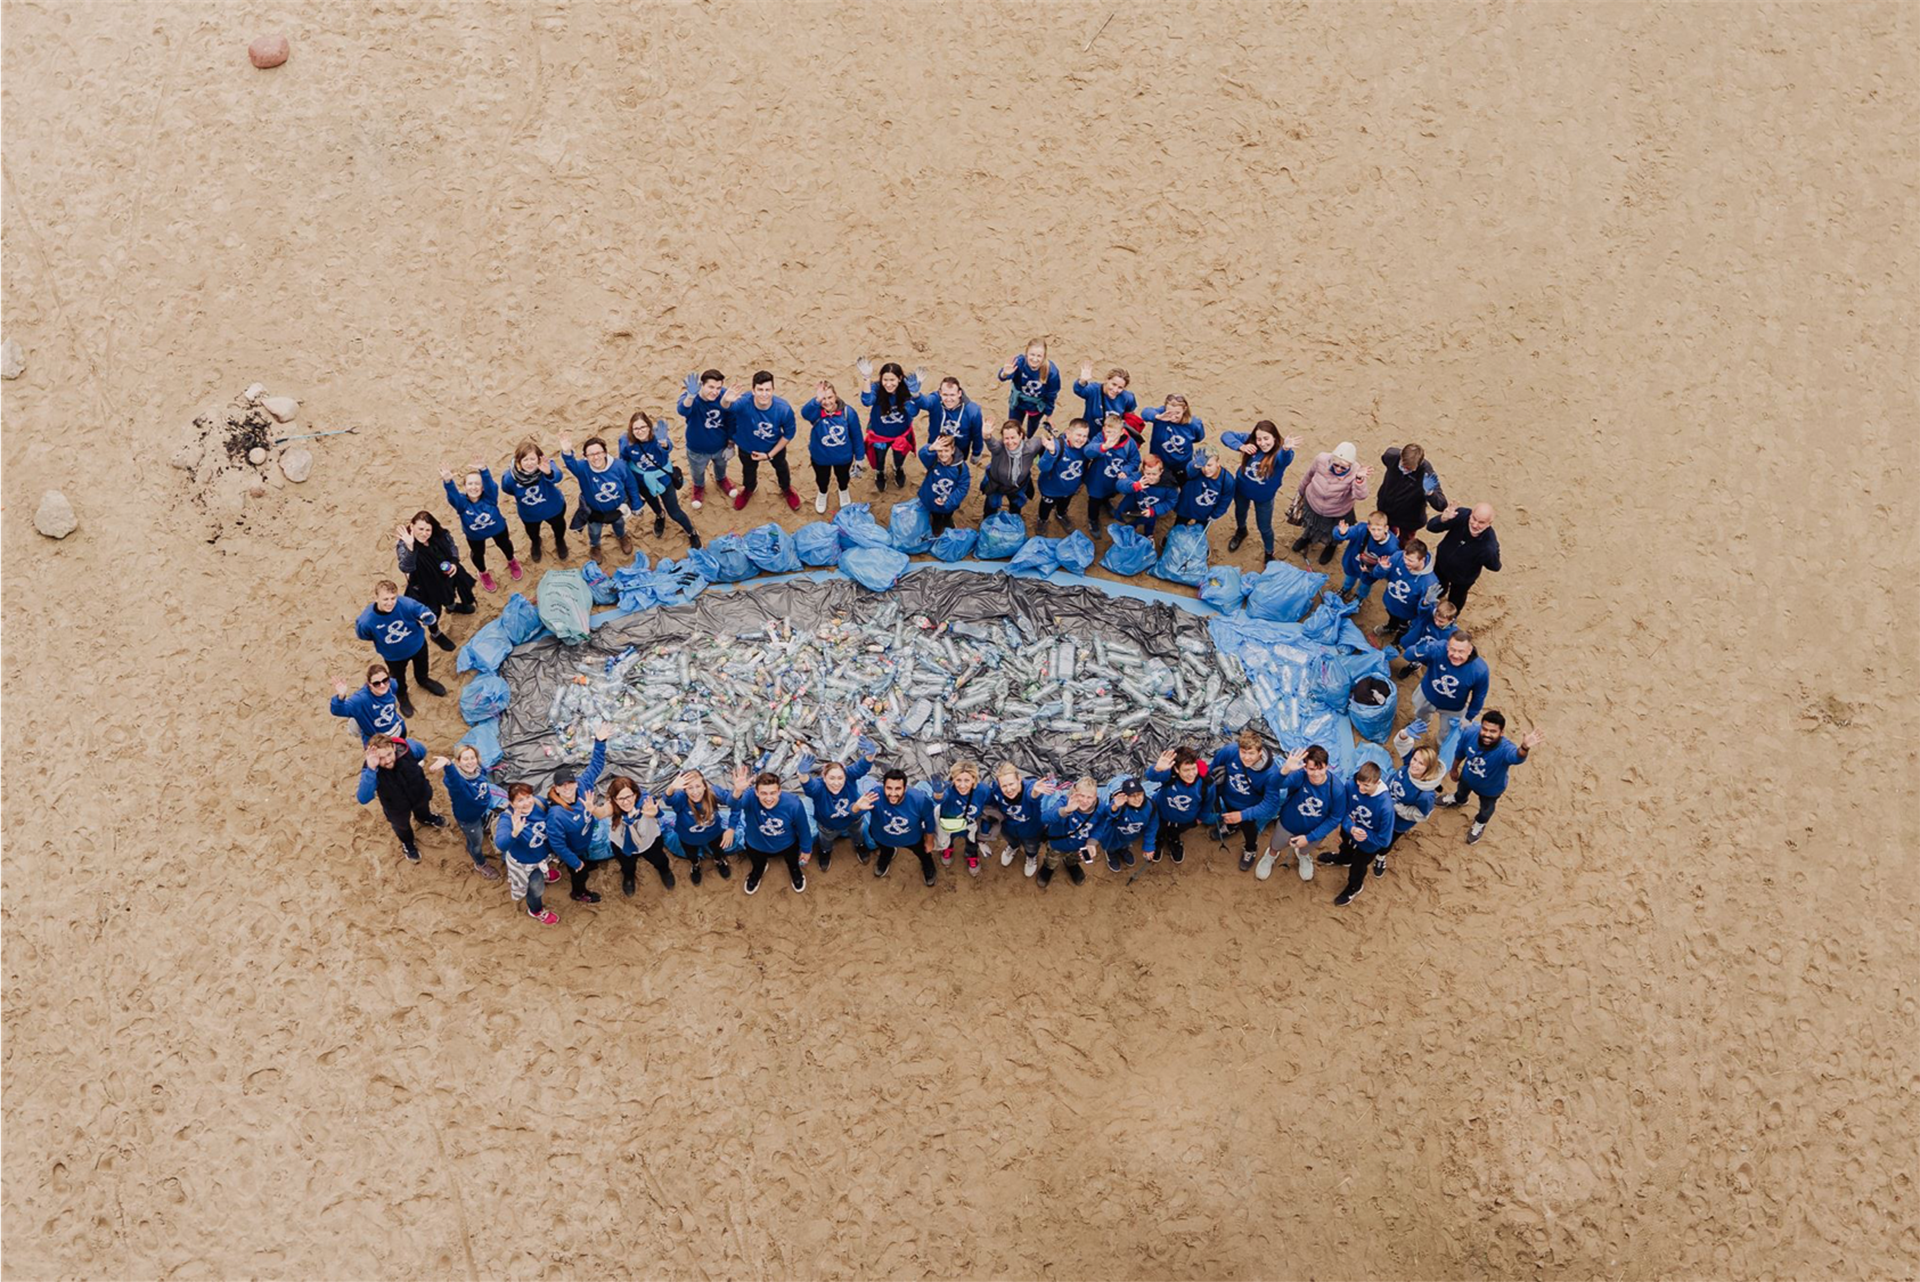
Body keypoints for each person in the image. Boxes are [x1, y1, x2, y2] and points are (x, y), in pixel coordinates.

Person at [1439, 711, 1543, 844]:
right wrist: (1454, 769)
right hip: (1467, 777)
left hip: (1491, 789)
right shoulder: (1470, 733)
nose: (1487, 734)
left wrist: (1524, 747)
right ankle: (1459, 799)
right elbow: (1460, 752)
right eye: (1485, 729)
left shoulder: (1505, 748)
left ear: (1501, 732)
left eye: (1493, 731)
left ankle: (1480, 823)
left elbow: (1516, 757)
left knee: (1486, 809)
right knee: (1461, 792)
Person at [354, 580, 451, 716]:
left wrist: (427, 616)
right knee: (398, 678)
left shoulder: (406, 604)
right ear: (376, 598)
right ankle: (402, 695)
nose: (390, 603)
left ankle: (423, 680)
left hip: (418, 646)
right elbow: (363, 635)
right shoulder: (367, 620)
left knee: (422, 666)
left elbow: (422, 611)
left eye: (393, 598)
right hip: (394, 657)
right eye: (385, 599)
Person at [355, 735, 446, 863]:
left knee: (423, 810)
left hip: (419, 794)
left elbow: (422, 751)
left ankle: (425, 818)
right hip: (396, 807)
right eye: (381, 758)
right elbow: (363, 798)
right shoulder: (371, 769)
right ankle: (408, 843)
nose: (387, 761)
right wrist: (371, 769)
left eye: (389, 754)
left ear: (394, 747)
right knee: (402, 827)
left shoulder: (409, 748)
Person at [1263, 744, 1346, 881]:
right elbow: (1274, 784)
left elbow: (1335, 818)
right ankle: (1271, 855)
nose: (1316, 774)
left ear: (1327, 766)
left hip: (1314, 830)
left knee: (1306, 848)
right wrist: (1286, 769)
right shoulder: (1300, 776)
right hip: (1288, 823)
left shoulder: (1336, 789)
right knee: (1276, 844)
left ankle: (1304, 856)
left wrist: (1308, 838)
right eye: (1311, 769)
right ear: (1305, 767)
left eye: (1321, 769)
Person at [619, 411, 701, 548]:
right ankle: (660, 516)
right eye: (636, 428)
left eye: (643, 427)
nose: (639, 431)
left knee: (674, 512)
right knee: (653, 503)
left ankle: (691, 532)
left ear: (649, 427)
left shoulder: (658, 438)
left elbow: (667, 446)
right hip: (642, 480)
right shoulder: (625, 441)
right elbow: (623, 460)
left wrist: (664, 444)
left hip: (663, 479)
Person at [547, 729, 610, 904]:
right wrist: (575, 862)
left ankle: (584, 862)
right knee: (580, 874)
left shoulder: (583, 786)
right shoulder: (556, 815)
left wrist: (600, 742)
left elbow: (596, 765)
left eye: (570, 783)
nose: (567, 788)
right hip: (572, 850)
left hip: (583, 842)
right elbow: (558, 845)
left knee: (584, 859)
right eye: (562, 786)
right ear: (556, 789)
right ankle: (579, 893)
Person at [726, 767, 812, 895]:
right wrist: (738, 791)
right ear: (756, 792)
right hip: (756, 844)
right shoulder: (749, 797)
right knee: (758, 863)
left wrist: (806, 849)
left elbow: (803, 828)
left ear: (779, 791)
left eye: (772, 793)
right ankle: (758, 870)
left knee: (792, 861)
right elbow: (733, 805)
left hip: (787, 844)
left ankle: (794, 870)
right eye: (764, 793)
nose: (768, 798)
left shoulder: (793, 804)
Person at [1208, 727, 1282, 872]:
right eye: (1243, 752)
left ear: (1260, 752)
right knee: (1228, 815)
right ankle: (1231, 827)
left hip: (1249, 807)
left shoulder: (1271, 773)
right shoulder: (1229, 751)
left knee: (1249, 829)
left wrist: (1242, 815)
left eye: (1251, 753)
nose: (1246, 757)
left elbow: (1271, 804)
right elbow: (1213, 768)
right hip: (1229, 797)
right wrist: (1214, 789)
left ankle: (1250, 849)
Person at [1325, 762, 1398, 906]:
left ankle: (1354, 887)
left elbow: (1384, 840)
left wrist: (1365, 835)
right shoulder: (1351, 785)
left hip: (1368, 844)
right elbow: (1343, 810)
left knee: (1358, 867)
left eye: (1366, 786)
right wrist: (1351, 827)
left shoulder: (1386, 807)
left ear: (1377, 783)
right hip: (1351, 830)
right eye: (1359, 783)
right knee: (1345, 846)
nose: (1360, 788)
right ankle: (1344, 859)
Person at [727, 371, 801, 512]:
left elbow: (789, 434)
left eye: (768, 390)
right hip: (747, 446)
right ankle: (749, 488)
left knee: (781, 468)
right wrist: (725, 400)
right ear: (753, 390)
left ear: (773, 390)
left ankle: (786, 488)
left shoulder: (783, 409)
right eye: (760, 390)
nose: (764, 394)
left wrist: (769, 455)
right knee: (748, 471)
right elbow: (727, 408)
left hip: (773, 447)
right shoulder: (744, 401)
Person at [1223, 421, 1298, 559]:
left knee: (1264, 527)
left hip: (1264, 497)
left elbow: (1285, 459)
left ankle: (1269, 552)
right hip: (1241, 489)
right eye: (1259, 439)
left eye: (1266, 438)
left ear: (1274, 438)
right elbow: (1226, 435)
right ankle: (1241, 531)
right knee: (1240, 512)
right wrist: (1241, 446)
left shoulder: (1279, 453)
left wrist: (1286, 449)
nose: (1262, 443)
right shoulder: (1251, 442)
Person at [426, 743, 501, 879]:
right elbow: (454, 781)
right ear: (458, 763)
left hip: (482, 810)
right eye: (465, 759)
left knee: (485, 824)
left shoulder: (478, 770)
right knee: (476, 843)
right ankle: (480, 864)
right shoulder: (457, 783)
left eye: (472, 758)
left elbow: (482, 773)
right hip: (469, 819)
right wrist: (448, 766)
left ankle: (483, 826)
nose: (470, 762)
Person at [441, 463, 520, 591]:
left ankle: (512, 561)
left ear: (483, 487)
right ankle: (483, 573)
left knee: (505, 545)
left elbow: (492, 486)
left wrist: (484, 471)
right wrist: (448, 481)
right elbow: (453, 496)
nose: (474, 487)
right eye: (470, 484)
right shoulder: (461, 504)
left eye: (477, 484)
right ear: (465, 487)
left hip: (497, 528)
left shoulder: (490, 498)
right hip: (475, 535)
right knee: (478, 554)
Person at [1291, 442, 1371, 566]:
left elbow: (1361, 496)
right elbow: (1309, 475)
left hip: (1336, 511)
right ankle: (1306, 538)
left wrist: (1359, 480)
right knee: (1310, 524)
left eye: (1343, 467)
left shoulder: (1356, 472)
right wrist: (1301, 492)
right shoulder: (1321, 459)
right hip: (1313, 503)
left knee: (1332, 533)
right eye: (1336, 465)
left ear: (1350, 465)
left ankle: (1330, 547)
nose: (1338, 469)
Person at [856, 768, 938, 886]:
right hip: (881, 835)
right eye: (889, 788)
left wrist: (929, 841)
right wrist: (857, 807)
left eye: (898, 788)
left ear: (905, 788)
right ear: (883, 786)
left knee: (923, 853)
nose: (893, 793)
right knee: (885, 848)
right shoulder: (874, 796)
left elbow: (929, 821)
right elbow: (853, 815)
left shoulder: (920, 800)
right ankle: (887, 854)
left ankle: (927, 864)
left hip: (913, 838)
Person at [559, 434, 639, 557]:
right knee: (594, 531)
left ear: (605, 452)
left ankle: (622, 537)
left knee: (619, 524)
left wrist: (636, 504)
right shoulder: (582, 468)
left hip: (618, 508)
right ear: (585, 457)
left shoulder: (619, 466)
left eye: (599, 452)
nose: (596, 457)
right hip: (594, 511)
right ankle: (595, 546)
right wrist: (566, 451)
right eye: (590, 454)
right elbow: (570, 463)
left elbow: (631, 484)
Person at [494, 783, 560, 925]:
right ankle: (536, 910)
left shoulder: (539, 803)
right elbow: (501, 844)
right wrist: (515, 833)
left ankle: (545, 874)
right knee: (535, 889)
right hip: (526, 862)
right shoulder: (508, 819)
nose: (527, 802)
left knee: (545, 867)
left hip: (542, 854)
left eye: (528, 797)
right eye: (520, 800)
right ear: (511, 803)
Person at [498, 439, 571, 563]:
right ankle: (536, 543)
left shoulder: (546, 466)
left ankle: (559, 540)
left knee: (558, 526)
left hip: (554, 508)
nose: (530, 463)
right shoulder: (510, 477)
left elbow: (557, 476)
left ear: (539, 458)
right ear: (518, 462)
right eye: (525, 460)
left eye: (532, 459)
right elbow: (507, 489)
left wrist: (548, 473)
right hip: (530, 514)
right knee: (532, 531)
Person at [676, 368, 740, 509]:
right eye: (711, 387)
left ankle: (721, 479)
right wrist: (691, 396)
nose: (715, 392)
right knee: (697, 471)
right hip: (697, 449)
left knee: (721, 466)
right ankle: (698, 487)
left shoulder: (724, 396)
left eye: (718, 387)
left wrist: (730, 444)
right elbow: (682, 410)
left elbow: (731, 420)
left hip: (720, 445)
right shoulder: (691, 397)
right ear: (702, 385)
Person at [396, 510, 477, 617]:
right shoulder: (404, 544)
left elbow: (452, 546)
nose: (424, 534)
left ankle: (451, 607)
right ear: (412, 526)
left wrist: (453, 563)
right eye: (420, 529)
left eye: (428, 530)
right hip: (425, 584)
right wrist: (411, 548)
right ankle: (435, 633)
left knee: (449, 593)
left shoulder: (440, 535)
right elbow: (406, 568)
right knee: (433, 611)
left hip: (445, 575)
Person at [801, 754, 875, 871]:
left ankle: (859, 845)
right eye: (832, 778)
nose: (836, 783)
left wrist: (870, 755)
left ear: (845, 777)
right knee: (826, 841)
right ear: (824, 778)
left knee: (857, 833)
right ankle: (825, 852)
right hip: (828, 826)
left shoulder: (849, 779)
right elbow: (809, 786)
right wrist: (802, 774)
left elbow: (860, 767)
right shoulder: (819, 788)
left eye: (840, 778)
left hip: (853, 819)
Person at [603, 775, 674, 895]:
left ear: (635, 794)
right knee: (627, 866)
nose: (625, 802)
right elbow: (600, 813)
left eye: (629, 796)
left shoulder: (646, 804)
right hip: (623, 845)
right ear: (614, 799)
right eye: (620, 798)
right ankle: (629, 877)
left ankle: (665, 871)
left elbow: (655, 811)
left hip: (650, 841)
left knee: (660, 860)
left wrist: (654, 812)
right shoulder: (611, 808)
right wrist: (592, 809)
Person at [858, 361, 923, 492]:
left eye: (892, 380)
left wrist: (914, 395)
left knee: (899, 457)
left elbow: (914, 412)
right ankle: (880, 473)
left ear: (899, 378)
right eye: (885, 380)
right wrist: (866, 378)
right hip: (879, 436)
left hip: (901, 435)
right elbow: (867, 401)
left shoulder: (907, 388)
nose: (888, 384)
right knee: (879, 459)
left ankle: (897, 468)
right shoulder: (876, 388)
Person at [800, 381, 865, 513]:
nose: (827, 402)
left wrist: (859, 457)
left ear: (835, 396)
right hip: (820, 457)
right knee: (822, 478)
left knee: (843, 477)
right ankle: (822, 493)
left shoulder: (848, 413)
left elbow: (857, 436)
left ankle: (843, 490)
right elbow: (805, 413)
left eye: (830, 397)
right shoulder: (816, 412)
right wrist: (816, 400)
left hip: (843, 457)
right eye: (823, 398)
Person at [1425, 502, 1503, 609]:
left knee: (1456, 600)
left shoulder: (1488, 546)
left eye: (1481, 522)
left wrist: (1492, 552)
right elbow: (1431, 527)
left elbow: (1495, 566)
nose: (1475, 525)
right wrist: (1443, 519)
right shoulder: (1461, 515)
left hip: (1462, 578)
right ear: (1470, 514)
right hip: (1441, 565)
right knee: (1438, 587)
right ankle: (1439, 595)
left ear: (1489, 524)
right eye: (1474, 519)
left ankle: (1451, 617)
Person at [1405, 630, 1490, 725]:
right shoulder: (1437, 649)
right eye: (1453, 650)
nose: (1456, 655)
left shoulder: (1479, 670)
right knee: (1420, 715)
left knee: (1447, 733)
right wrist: (1416, 651)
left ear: (1469, 650)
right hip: (1427, 695)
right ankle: (1421, 722)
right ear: (1447, 646)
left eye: (1461, 651)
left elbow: (1479, 696)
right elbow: (1407, 656)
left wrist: (1469, 717)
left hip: (1453, 708)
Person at [665, 769, 734, 884]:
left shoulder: (713, 793)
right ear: (684, 790)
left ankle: (719, 861)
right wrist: (671, 788)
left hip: (714, 833)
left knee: (718, 850)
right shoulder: (681, 799)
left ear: (704, 786)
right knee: (691, 854)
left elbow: (732, 800)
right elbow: (668, 800)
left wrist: (738, 790)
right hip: (688, 838)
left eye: (698, 786)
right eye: (690, 788)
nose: (695, 792)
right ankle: (695, 865)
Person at [1377, 443, 1448, 550]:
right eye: (1402, 466)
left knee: (1404, 545)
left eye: (1409, 469)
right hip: (1387, 511)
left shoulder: (1427, 474)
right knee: (1385, 539)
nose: (1405, 470)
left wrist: (1429, 492)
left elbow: (1442, 505)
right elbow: (1384, 458)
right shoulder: (1391, 456)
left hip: (1409, 520)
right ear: (1401, 455)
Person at [980, 762, 1046, 876]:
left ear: (1019, 779)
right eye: (1004, 786)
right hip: (1008, 827)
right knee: (1011, 841)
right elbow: (988, 805)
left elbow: (1034, 796)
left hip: (1031, 831)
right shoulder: (995, 789)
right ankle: (1013, 847)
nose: (1009, 789)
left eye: (1011, 784)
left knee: (1031, 847)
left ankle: (1031, 857)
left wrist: (1035, 794)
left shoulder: (1032, 788)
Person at [1144, 746, 1207, 864]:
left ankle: (1174, 840)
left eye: (1193, 768)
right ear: (1177, 770)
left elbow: (1208, 801)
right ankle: (1159, 840)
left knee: (1176, 831)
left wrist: (1200, 818)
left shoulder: (1205, 782)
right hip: (1162, 813)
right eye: (1186, 770)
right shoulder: (1170, 776)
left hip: (1185, 819)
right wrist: (1157, 769)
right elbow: (1151, 777)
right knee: (1159, 829)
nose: (1191, 774)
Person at [1083, 415, 1141, 537]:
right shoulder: (1100, 438)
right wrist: (1103, 447)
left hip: (1115, 480)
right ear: (1103, 429)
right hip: (1097, 479)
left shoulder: (1129, 443)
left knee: (1109, 494)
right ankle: (1093, 519)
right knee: (1094, 500)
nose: (1110, 435)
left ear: (1121, 432)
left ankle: (1106, 502)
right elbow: (1088, 452)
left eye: (1114, 432)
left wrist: (1126, 471)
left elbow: (1135, 461)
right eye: (1108, 431)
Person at [930, 759, 990, 877]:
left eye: (967, 780)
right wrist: (938, 793)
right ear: (953, 779)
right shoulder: (947, 788)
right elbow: (939, 799)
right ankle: (948, 848)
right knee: (949, 837)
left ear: (974, 779)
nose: (962, 785)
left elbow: (989, 809)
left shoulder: (983, 791)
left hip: (970, 825)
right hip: (949, 823)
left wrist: (985, 831)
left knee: (972, 841)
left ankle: (971, 855)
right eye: (958, 780)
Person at [1035, 777, 1099, 888]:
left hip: (1080, 846)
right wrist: (1066, 810)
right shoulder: (1064, 801)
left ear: (1095, 797)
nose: (1084, 801)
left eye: (1089, 797)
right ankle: (1048, 868)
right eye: (1081, 795)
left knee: (1075, 858)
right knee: (1052, 858)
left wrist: (1092, 842)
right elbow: (1045, 818)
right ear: (1074, 792)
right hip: (1058, 844)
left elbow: (1101, 826)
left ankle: (1072, 865)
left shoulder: (1100, 807)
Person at [979, 418, 1048, 517]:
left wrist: (1045, 456)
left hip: (1018, 486)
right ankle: (988, 519)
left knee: (1015, 507)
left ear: (1020, 436)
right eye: (1006, 438)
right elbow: (991, 443)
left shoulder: (1030, 448)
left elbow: (1042, 443)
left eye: (1013, 437)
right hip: (996, 485)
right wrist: (986, 436)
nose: (1010, 442)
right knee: (991, 506)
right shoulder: (998, 448)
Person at [1033, 419, 1093, 531]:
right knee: (1046, 507)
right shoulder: (1057, 446)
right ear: (1068, 433)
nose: (1081, 439)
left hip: (1071, 488)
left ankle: (1060, 514)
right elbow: (1043, 467)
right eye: (1078, 435)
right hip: (1050, 489)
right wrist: (1051, 453)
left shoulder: (1086, 448)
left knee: (1064, 504)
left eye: (1084, 436)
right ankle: (1042, 519)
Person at [1374, 542, 1439, 644]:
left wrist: (1425, 604)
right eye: (1405, 557)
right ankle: (1391, 627)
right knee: (1392, 617)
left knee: (1404, 627)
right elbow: (1378, 575)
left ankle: (1398, 640)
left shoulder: (1429, 582)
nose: (1405, 562)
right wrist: (1382, 568)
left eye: (1410, 560)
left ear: (1422, 559)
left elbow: (1425, 614)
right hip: (1391, 602)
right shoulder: (1398, 556)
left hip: (1407, 613)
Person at [912, 376, 986, 462]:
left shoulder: (973, 411)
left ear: (959, 393)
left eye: (952, 395)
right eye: (945, 395)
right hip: (936, 445)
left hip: (959, 449)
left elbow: (977, 435)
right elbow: (925, 403)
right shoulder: (935, 400)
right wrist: (916, 394)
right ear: (940, 393)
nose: (948, 399)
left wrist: (976, 452)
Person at [1331, 510, 1400, 601]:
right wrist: (1341, 533)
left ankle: (1360, 597)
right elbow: (1347, 532)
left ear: (1386, 528)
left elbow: (1386, 570)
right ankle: (1345, 589)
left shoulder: (1392, 548)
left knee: (1365, 585)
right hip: (1353, 564)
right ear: (1368, 527)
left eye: (1379, 529)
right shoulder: (1361, 529)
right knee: (1349, 578)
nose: (1376, 533)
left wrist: (1370, 570)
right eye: (1373, 529)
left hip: (1369, 573)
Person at [1091, 777, 1157, 872]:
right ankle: (1111, 854)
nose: (1137, 798)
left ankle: (1123, 850)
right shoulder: (1119, 806)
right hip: (1113, 837)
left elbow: (1152, 826)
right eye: (1132, 795)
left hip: (1130, 836)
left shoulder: (1150, 806)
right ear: (1125, 797)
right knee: (1111, 848)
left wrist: (1149, 846)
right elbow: (1105, 815)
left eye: (1139, 794)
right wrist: (1114, 807)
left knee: (1125, 844)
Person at [998, 339, 1060, 437]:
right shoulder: (1019, 362)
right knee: (1014, 426)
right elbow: (1002, 377)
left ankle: (1028, 438)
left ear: (1044, 357)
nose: (1035, 359)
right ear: (1026, 353)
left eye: (1039, 356)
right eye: (1032, 354)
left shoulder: (1051, 372)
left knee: (1032, 427)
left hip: (1037, 406)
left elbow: (1051, 395)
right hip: (1018, 402)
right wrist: (1004, 373)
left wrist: (1049, 415)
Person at [329, 664, 406, 743]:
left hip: (397, 728)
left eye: (385, 680)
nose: (382, 685)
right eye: (376, 683)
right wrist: (341, 697)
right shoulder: (360, 700)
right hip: (378, 742)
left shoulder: (392, 685)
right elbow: (337, 710)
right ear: (369, 684)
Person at [1139, 394, 1205, 483]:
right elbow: (1145, 413)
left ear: (1184, 409)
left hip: (1182, 464)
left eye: (1177, 413)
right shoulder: (1161, 415)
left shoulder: (1194, 424)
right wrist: (1158, 417)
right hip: (1160, 464)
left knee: (1183, 485)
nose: (1173, 416)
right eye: (1170, 412)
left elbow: (1198, 437)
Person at [915, 433, 971, 536]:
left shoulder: (961, 468)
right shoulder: (933, 460)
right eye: (940, 451)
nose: (943, 454)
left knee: (948, 512)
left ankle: (947, 519)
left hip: (949, 501)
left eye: (946, 451)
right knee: (935, 513)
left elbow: (962, 488)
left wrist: (948, 502)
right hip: (931, 498)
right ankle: (936, 521)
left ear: (952, 450)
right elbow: (922, 455)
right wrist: (930, 448)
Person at [1114, 455, 1179, 540]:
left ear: (1161, 471)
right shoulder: (1137, 477)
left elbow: (1171, 501)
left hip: (1152, 510)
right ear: (1143, 471)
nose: (1151, 477)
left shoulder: (1169, 485)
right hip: (1133, 509)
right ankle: (1129, 535)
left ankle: (1149, 535)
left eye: (1154, 474)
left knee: (1150, 523)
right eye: (1148, 473)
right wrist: (1135, 486)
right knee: (1131, 523)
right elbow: (1120, 484)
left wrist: (1154, 510)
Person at [1389, 597, 1459, 676]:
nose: (1436, 622)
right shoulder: (1430, 615)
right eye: (1436, 619)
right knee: (1410, 650)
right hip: (1417, 638)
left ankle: (1414, 666)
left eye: (1441, 621)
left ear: (1451, 620)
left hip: (1429, 649)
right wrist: (1425, 603)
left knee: (1420, 658)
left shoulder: (1452, 634)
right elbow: (1423, 611)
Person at [1172, 450, 1236, 530]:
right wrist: (1196, 465)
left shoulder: (1227, 480)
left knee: (1199, 532)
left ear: (1217, 463)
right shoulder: (1196, 470)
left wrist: (1215, 514)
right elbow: (1190, 470)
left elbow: (1225, 500)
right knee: (1178, 527)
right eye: (1203, 465)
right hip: (1187, 508)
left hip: (1206, 513)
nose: (1205, 469)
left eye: (1209, 465)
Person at [1073, 364, 1136, 431]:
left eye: (1120, 387)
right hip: (1091, 437)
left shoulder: (1127, 398)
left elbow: (1130, 417)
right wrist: (1082, 381)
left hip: (1113, 437)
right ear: (1107, 380)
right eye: (1113, 384)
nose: (1115, 390)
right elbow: (1079, 390)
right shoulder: (1094, 390)